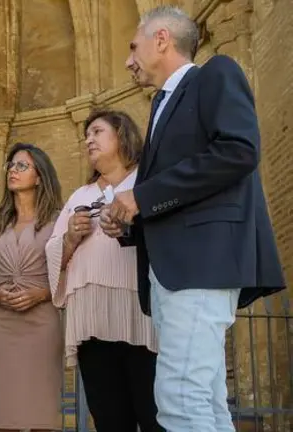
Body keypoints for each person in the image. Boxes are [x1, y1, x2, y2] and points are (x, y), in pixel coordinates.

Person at [100, 6, 285, 432]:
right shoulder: (161, 105)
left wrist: (141, 196)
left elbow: (238, 150)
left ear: (161, 39)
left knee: (181, 400)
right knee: (206, 402)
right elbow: (177, 193)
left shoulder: (214, 74)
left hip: (202, 264)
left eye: (133, 46)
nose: (128, 61)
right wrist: (130, 221)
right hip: (175, 271)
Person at [45, 110, 161, 432]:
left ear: (122, 135)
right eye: (86, 135)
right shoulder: (80, 196)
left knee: (155, 417)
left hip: (140, 319)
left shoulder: (146, 184)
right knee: (110, 420)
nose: (88, 140)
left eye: (97, 132)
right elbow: (53, 253)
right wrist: (70, 236)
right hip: (92, 324)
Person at [0, 143, 64, 432]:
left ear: (39, 176)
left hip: (41, 323)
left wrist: (43, 293)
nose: (13, 170)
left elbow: (70, 274)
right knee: (4, 415)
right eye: (11, 165)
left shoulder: (59, 220)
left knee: (41, 414)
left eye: (22, 166)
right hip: (0, 324)